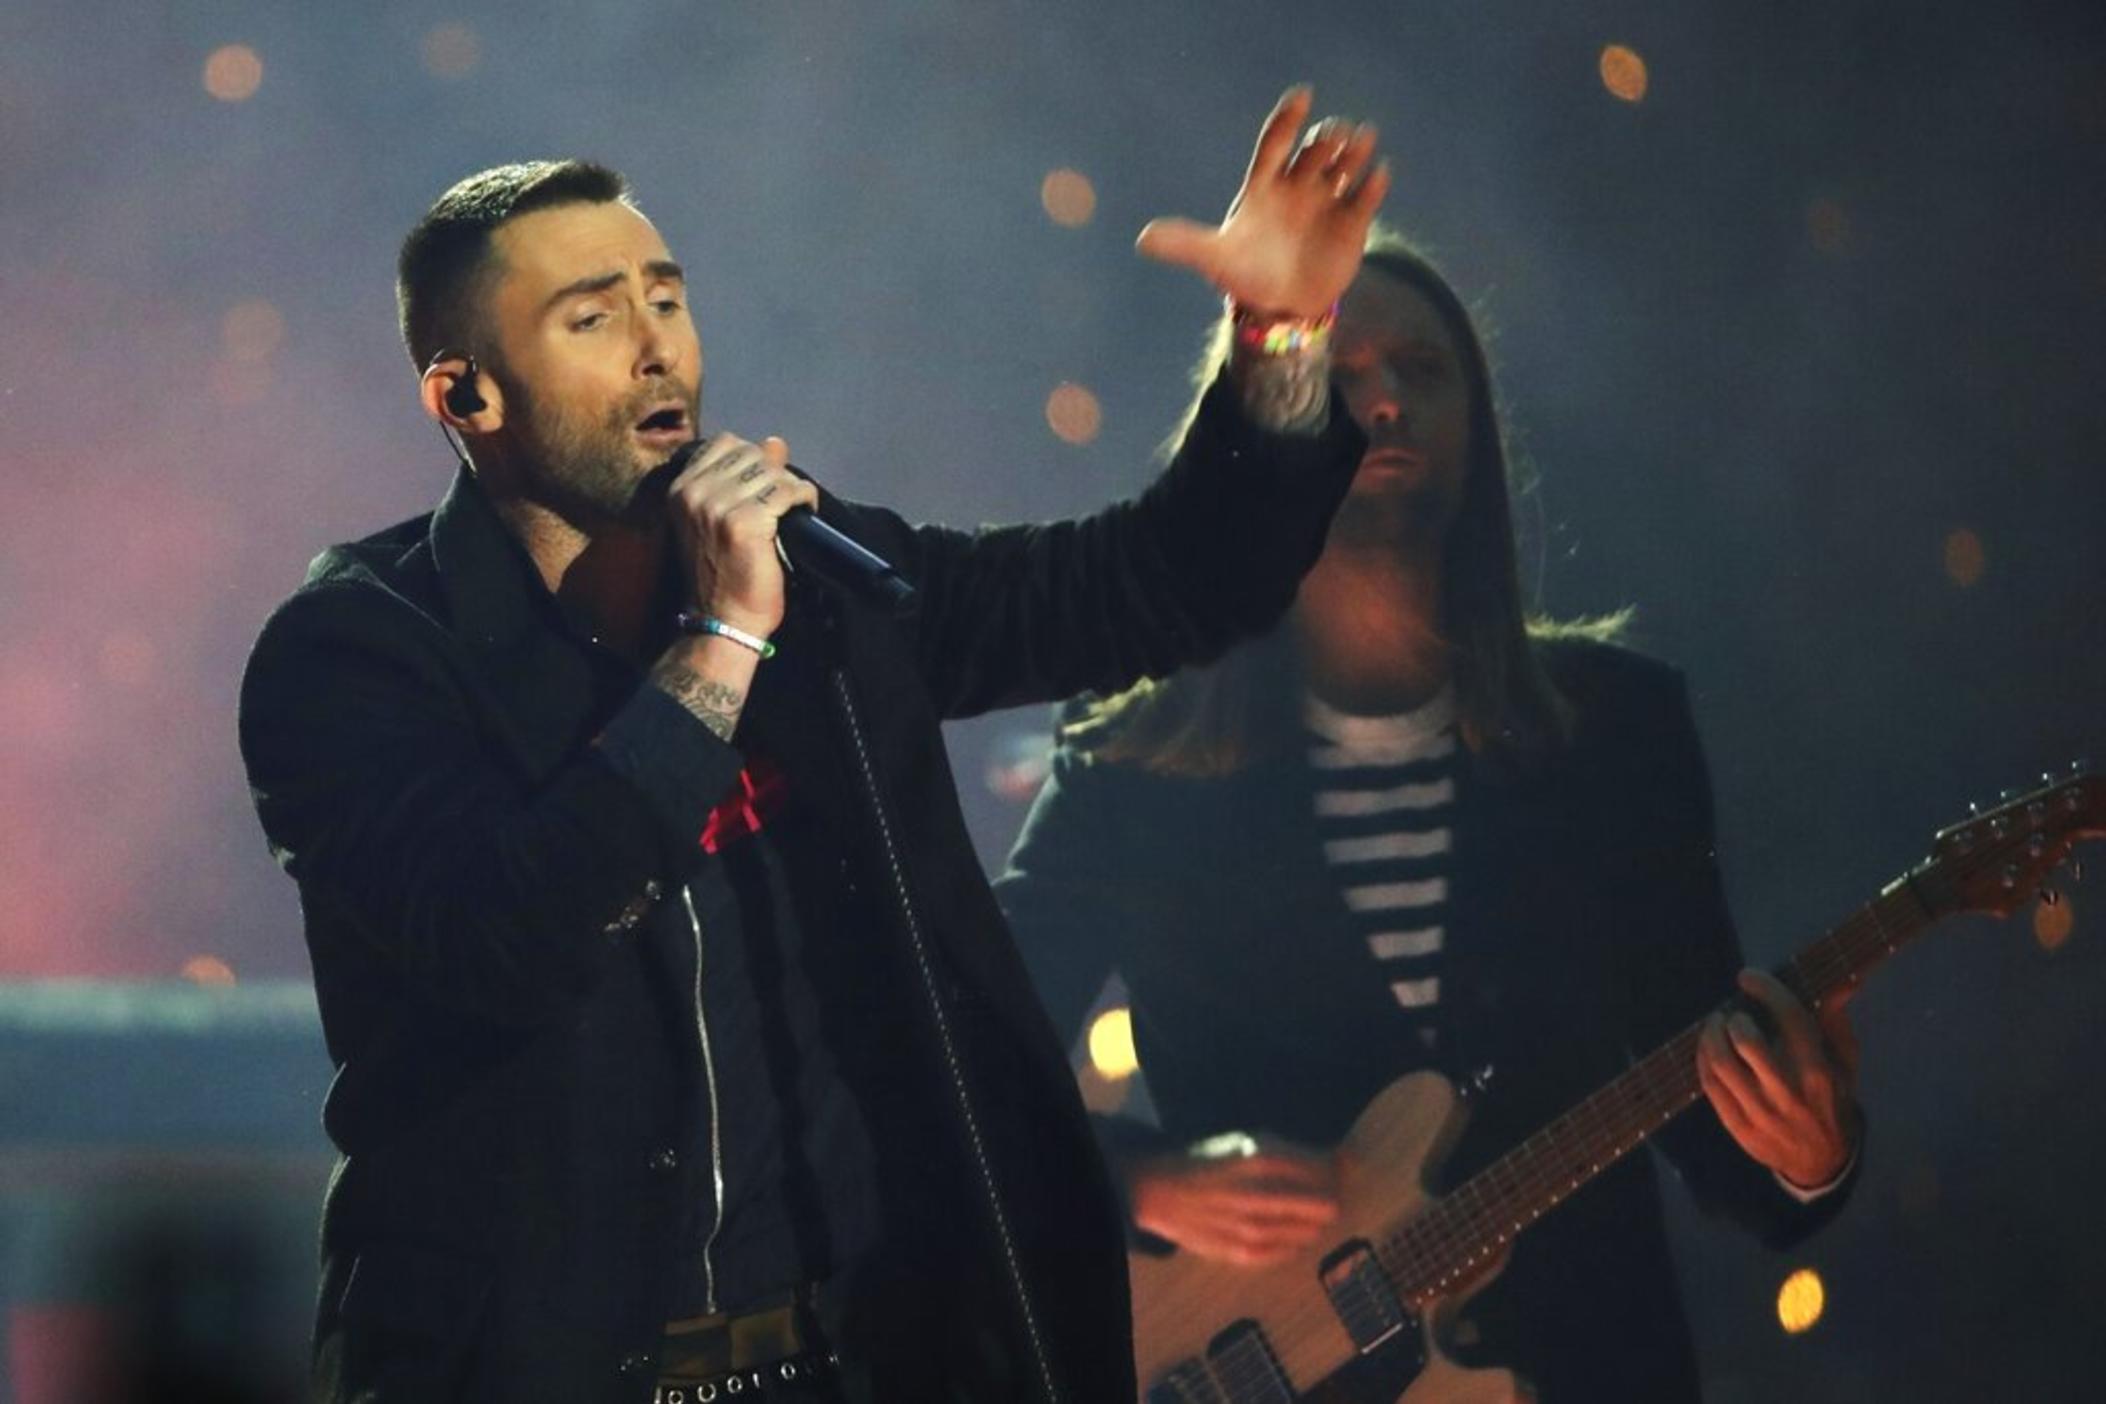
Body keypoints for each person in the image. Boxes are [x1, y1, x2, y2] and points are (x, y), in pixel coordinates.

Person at [236, 89, 1390, 1404]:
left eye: (664, 296)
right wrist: (724, 638)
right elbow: (513, 933)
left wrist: (1282, 335)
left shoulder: (820, 585)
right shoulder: (357, 659)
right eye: (592, 318)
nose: (657, 349)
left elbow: (1152, 587)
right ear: (465, 395)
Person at [996, 233, 1866, 1403]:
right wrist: (1141, 1182)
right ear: (1251, 422)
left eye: (1424, 368)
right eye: (1340, 374)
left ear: (1479, 425)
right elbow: (961, 1058)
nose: (1387, 398)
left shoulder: (1618, 730)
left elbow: (1708, 1117)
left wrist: (1810, 1154)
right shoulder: (1133, 754)